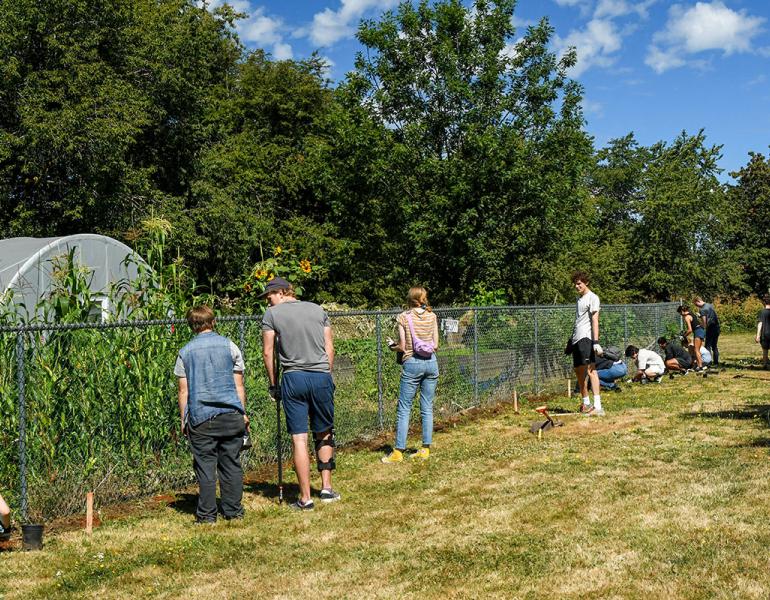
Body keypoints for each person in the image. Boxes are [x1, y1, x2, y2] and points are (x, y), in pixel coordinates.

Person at [261, 277, 340, 510]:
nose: (268, 303)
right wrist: (326, 373)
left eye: (270, 297)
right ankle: (326, 488)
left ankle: (306, 498)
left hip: (293, 378)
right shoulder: (318, 310)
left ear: (283, 292)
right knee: (324, 431)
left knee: (299, 438)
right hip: (321, 376)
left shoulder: (272, 316)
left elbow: (267, 352)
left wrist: (274, 385)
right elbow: (329, 347)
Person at [175, 305, 248, 524]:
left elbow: (183, 390)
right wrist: (242, 413)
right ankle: (233, 510)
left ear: (191, 326)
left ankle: (207, 515)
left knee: (205, 466)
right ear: (213, 322)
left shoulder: (185, 352)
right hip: (231, 414)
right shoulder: (230, 346)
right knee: (231, 463)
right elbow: (239, 385)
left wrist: (183, 419)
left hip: (201, 418)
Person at [382, 286, 440, 463]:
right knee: (427, 407)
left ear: (410, 298)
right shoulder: (432, 315)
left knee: (404, 408)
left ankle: (398, 452)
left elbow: (403, 345)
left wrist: (392, 345)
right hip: (431, 362)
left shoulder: (404, 317)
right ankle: (425, 449)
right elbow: (436, 344)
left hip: (412, 363)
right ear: (423, 298)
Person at [569, 271, 603, 415]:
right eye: (575, 284)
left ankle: (598, 406)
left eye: (579, 283)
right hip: (577, 339)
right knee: (579, 371)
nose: (577, 286)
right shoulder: (579, 300)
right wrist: (571, 341)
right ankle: (586, 403)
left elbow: (595, 320)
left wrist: (595, 342)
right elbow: (578, 321)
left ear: (586, 282)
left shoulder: (593, 298)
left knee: (591, 370)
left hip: (587, 339)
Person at [677, 305, 705, 371]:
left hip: (697, 331)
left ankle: (700, 367)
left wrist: (683, 336)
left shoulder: (687, 317)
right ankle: (698, 365)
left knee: (696, 350)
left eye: (680, 313)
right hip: (701, 330)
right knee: (697, 349)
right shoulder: (691, 313)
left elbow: (690, 330)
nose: (681, 315)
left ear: (682, 311)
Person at [694, 296, 720, 366]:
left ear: (698, 301)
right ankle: (716, 362)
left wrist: (700, 325)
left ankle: (708, 362)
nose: (697, 306)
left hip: (710, 328)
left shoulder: (702, 309)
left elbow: (704, 323)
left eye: (696, 304)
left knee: (707, 346)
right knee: (714, 346)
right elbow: (710, 316)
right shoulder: (710, 305)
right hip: (717, 327)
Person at [756, 294, 770, 369]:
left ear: (764, 303)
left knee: (765, 350)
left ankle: (765, 364)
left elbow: (760, 323)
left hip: (765, 334)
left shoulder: (762, 312)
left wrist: (758, 335)